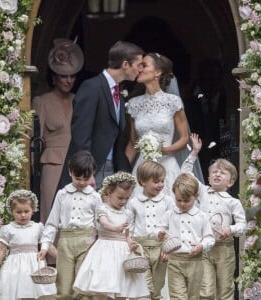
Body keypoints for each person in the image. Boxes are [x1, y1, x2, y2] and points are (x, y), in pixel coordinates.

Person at [57, 41, 144, 190]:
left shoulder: (118, 93)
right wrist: (86, 172)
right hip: (90, 171)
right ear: (125, 64)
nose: (141, 69)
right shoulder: (92, 87)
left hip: (111, 169)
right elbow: (81, 136)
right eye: (139, 64)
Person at [181, 134, 247, 300]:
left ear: (230, 182)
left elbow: (243, 225)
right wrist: (195, 152)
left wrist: (230, 229)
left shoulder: (233, 202)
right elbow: (185, 173)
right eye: (214, 172)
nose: (217, 174)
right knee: (206, 290)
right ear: (208, 178)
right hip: (204, 246)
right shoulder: (202, 192)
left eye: (223, 173)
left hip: (225, 248)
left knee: (225, 289)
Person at [73, 172, 150, 299]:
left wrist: (131, 243)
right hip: (105, 250)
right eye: (120, 198)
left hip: (122, 252)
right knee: (103, 286)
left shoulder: (127, 213)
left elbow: (127, 234)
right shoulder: (103, 209)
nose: (123, 201)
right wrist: (116, 228)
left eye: (127, 198)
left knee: (123, 287)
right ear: (109, 192)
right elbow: (104, 223)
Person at [33, 38, 84, 224]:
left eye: (72, 76)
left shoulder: (78, 99)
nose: (68, 80)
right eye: (64, 76)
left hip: (77, 166)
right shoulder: (42, 101)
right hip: (52, 164)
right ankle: (49, 253)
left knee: (76, 215)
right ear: (54, 77)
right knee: (51, 213)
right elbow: (35, 140)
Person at [39, 150, 101, 300]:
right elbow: (52, 223)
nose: (81, 182)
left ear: (92, 173)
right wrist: (45, 246)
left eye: (85, 179)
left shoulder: (95, 197)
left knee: (83, 287)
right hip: (65, 242)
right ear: (70, 171)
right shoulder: (62, 194)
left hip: (87, 242)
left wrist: (98, 245)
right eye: (77, 178)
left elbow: (100, 225)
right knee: (64, 288)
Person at [125, 52, 189, 196]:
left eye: (144, 65)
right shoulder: (134, 104)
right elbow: (133, 142)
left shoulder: (173, 102)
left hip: (167, 166)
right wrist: (123, 171)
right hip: (142, 168)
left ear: (157, 72)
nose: (139, 69)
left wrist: (164, 150)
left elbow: (184, 138)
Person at [156, 173, 215, 300]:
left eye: (187, 200)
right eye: (178, 200)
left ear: (196, 196)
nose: (182, 203)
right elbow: (161, 229)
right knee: (177, 296)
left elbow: (210, 238)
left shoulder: (202, 216)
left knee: (194, 296)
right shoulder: (169, 214)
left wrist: (201, 246)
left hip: (195, 261)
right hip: (175, 260)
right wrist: (160, 234)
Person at [0, 189, 57, 299]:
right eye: (18, 212)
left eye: (26, 211)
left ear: (33, 210)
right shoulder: (8, 229)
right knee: (14, 292)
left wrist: (60, 257)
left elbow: (48, 244)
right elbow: (1, 250)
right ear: (12, 211)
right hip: (14, 267)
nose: (23, 215)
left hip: (34, 265)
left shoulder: (38, 227)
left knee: (36, 292)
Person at [127, 160, 174, 299]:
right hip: (140, 248)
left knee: (157, 285)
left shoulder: (167, 201)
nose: (160, 185)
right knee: (145, 285)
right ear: (142, 182)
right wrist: (129, 242)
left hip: (160, 248)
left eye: (162, 181)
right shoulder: (134, 203)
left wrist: (168, 247)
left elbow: (172, 225)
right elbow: (129, 226)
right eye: (156, 181)